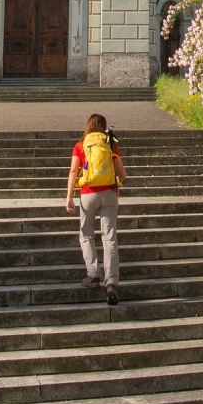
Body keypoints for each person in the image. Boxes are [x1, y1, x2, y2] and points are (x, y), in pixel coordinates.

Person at [66, 113, 126, 305]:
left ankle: (93, 274)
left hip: (87, 194)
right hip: (109, 194)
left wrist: (69, 197)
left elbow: (74, 171)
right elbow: (122, 173)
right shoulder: (110, 143)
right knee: (109, 238)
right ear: (104, 127)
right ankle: (112, 283)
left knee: (86, 234)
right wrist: (115, 182)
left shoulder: (80, 145)